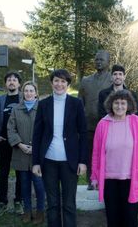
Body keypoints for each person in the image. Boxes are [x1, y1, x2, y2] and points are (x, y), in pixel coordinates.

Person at [32, 69, 88, 227]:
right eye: (56, 80)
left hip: (69, 161)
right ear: (51, 83)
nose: (59, 84)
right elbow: (37, 135)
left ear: (68, 84)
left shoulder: (76, 104)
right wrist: (36, 162)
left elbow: (83, 133)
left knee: (69, 203)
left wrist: (83, 161)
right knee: (52, 203)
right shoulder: (43, 104)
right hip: (48, 161)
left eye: (63, 81)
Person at [91, 90, 138, 227]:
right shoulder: (103, 124)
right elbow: (96, 153)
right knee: (113, 217)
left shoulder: (136, 122)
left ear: (129, 105)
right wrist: (94, 176)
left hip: (131, 178)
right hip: (109, 179)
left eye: (123, 103)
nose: (119, 106)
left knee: (130, 217)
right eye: (116, 103)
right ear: (111, 104)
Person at [7, 81, 45, 224]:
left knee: (39, 185)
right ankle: (27, 212)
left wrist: (37, 147)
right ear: (23, 93)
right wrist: (19, 144)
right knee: (24, 185)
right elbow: (11, 129)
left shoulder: (42, 108)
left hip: (38, 155)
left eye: (31, 91)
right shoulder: (16, 109)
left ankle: (40, 212)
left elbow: (47, 129)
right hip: (21, 153)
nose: (29, 93)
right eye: (26, 91)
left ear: (36, 93)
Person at [78, 50, 113, 190]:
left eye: (102, 59)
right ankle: (91, 181)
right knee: (90, 155)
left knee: (107, 155)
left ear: (108, 62)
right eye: (96, 59)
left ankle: (106, 181)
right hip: (89, 125)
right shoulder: (86, 81)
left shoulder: (113, 80)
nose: (98, 62)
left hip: (108, 126)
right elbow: (80, 102)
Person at [0, 71, 23, 214]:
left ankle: (19, 201)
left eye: (14, 80)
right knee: (3, 173)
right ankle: (2, 201)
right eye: (9, 80)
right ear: (5, 83)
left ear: (19, 83)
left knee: (20, 173)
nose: (12, 82)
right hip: (3, 142)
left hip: (19, 143)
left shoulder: (25, 97)